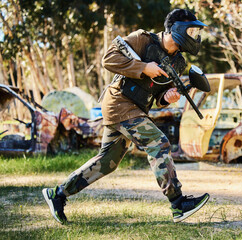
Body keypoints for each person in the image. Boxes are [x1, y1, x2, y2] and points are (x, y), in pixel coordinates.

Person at [42, 9, 209, 224]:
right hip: (118, 102)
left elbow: (159, 94)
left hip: (137, 108)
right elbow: (109, 59)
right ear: (175, 28)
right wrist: (143, 67)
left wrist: (167, 97)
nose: (194, 35)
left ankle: (57, 194)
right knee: (158, 143)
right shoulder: (143, 39)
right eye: (191, 29)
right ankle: (178, 204)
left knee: (107, 162)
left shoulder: (178, 63)